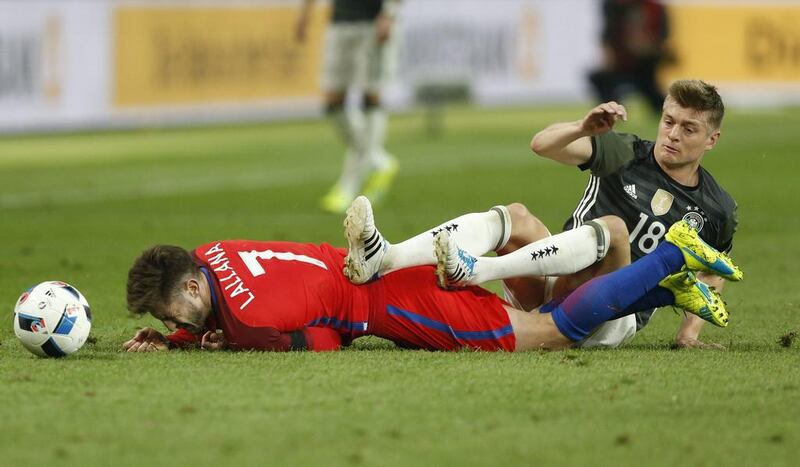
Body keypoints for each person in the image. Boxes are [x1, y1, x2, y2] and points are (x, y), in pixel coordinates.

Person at [122, 199, 741, 352]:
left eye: (170, 312)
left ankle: (670, 257)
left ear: (194, 285)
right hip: (410, 268)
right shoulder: (212, 248)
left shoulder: (249, 323)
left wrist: (206, 342)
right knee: (524, 221)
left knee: (550, 332)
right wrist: (186, 336)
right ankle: (665, 284)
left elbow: (326, 342)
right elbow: (245, 300)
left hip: (398, 309)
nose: (170, 322)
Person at [517, 79, 736, 349]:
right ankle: (463, 268)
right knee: (517, 217)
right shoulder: (625, 153)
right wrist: (581, 128)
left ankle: (523, 321)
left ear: (711, 140)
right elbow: (542, 145)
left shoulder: (716, 210)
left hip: (617, 315)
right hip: (563, 279)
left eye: (689, 129)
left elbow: (712, 271)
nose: (674, 135)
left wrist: (688, 334)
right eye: (669, 122)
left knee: (612, 230)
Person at [295, 0, 400, 214]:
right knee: (333, 102)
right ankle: (378, 161)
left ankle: (348, 186)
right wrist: (305, 13)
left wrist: (389, 14)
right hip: (339, 22)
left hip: (373, 21)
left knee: (370, 96)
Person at [587, 0, 670, 114]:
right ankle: (610, 112)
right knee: (599, 78)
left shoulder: (655, 8)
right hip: (620, 62)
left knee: (652, 92)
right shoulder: (614, 5)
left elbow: (663, 39)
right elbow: (608, 34)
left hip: (646, 65)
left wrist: (647, 47)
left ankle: (661, 109)